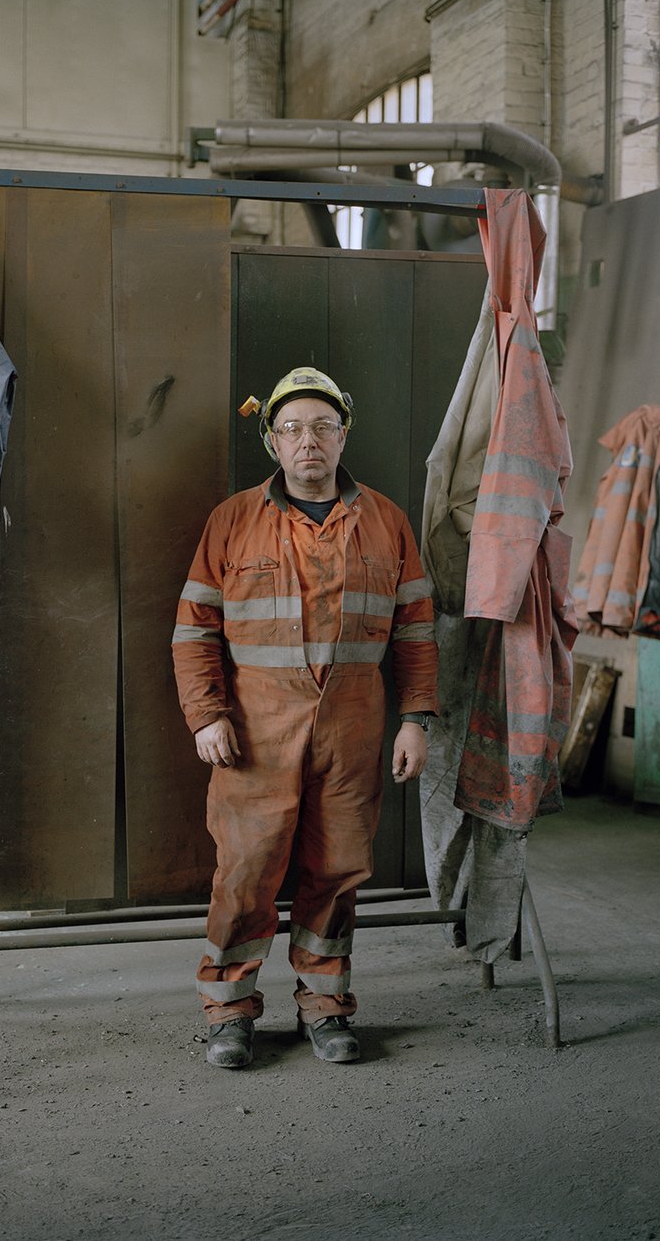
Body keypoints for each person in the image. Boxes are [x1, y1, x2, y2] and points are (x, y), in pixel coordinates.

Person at [172, 367, 439, 1068]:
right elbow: (194, 628)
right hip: (256, 729)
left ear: (344, 434)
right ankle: (229, 1014)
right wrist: (206, 714)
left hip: (352, 726)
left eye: (323, 426)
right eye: (291, 428)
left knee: (338, 869)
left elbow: (414, 630)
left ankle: (325, 1008)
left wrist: (417, 717)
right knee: (246, 870)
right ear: (272, 442)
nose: (308, 440)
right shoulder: (232, 520)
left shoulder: (386, 521)